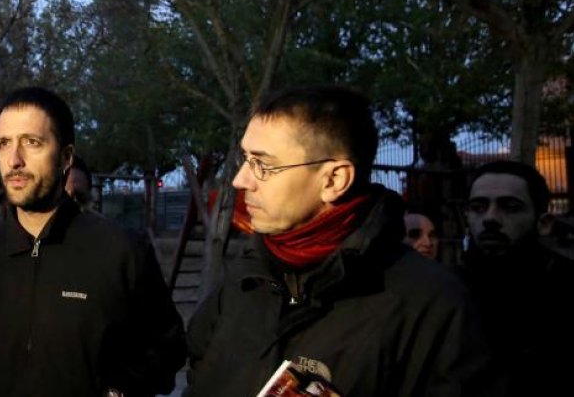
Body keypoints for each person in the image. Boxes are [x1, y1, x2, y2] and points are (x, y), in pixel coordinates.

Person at [185, 85, 502, 397]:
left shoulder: (432, 304)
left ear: (334, 180)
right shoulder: (243, 278)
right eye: (245, 158)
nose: (241, 180)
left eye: (263, 164)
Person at [0, 86, 185, 397]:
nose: (14, 159)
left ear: (65, 157)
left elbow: (168, 347)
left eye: (32, 142)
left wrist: (119, 390)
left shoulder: (119, 250)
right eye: (4, 144)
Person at [459, 160, 574, 394]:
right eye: (478, 207)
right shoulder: (445, 292)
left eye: (510, 207)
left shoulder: (566, 290)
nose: (490, 218)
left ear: (544, 223)